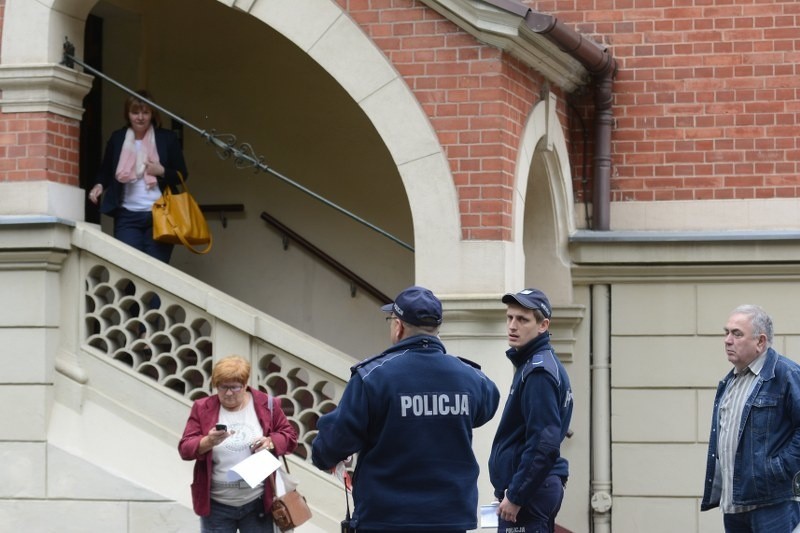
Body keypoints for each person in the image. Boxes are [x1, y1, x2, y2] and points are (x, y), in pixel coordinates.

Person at [311, 285, 500, 533]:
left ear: (398, 326)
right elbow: (486, 407)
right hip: (450, 519)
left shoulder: (373, 377)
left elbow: (331, 445)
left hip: (387, 520)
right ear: (437, 329)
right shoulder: (471, 378)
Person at [701, 305, 800, 532]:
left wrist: (778, 469)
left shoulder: (786, 374)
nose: (727, 340)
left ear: (760, 341)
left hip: (773, 503)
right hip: (735, 504)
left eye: (737, 334)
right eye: (726, 332)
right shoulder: (730, 382)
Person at [178, 355, 298, 532]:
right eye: (222, 387)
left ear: (245, 384)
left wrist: (270, 441)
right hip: (217, 506)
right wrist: (207, 441)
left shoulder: (267, 404)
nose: (228, 393)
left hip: (258, 505)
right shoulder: (202, 407)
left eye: (234, 387)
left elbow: (290, 437)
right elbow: (185, 449)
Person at [488, 288, 573, 533]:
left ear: (543, 325)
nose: (512, 325)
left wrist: (516, 495)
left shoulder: (538, 372)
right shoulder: (535, 365)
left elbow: (543, 443)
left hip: (530, 493)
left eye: (522, 319)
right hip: (532, 488)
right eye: (509, 317)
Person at [88, 90, 188, 263]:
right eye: (135, 112)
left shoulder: (166, 139)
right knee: (129, 268)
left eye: (145, 112)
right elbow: (106, 171)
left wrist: (162, 171)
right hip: (127, 216)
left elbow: (182, 175)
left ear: (152, 114)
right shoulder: (118, 139)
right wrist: (99, 185)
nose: (140, 117)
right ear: (128, 114)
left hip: (160, 215)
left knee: (157, 271)